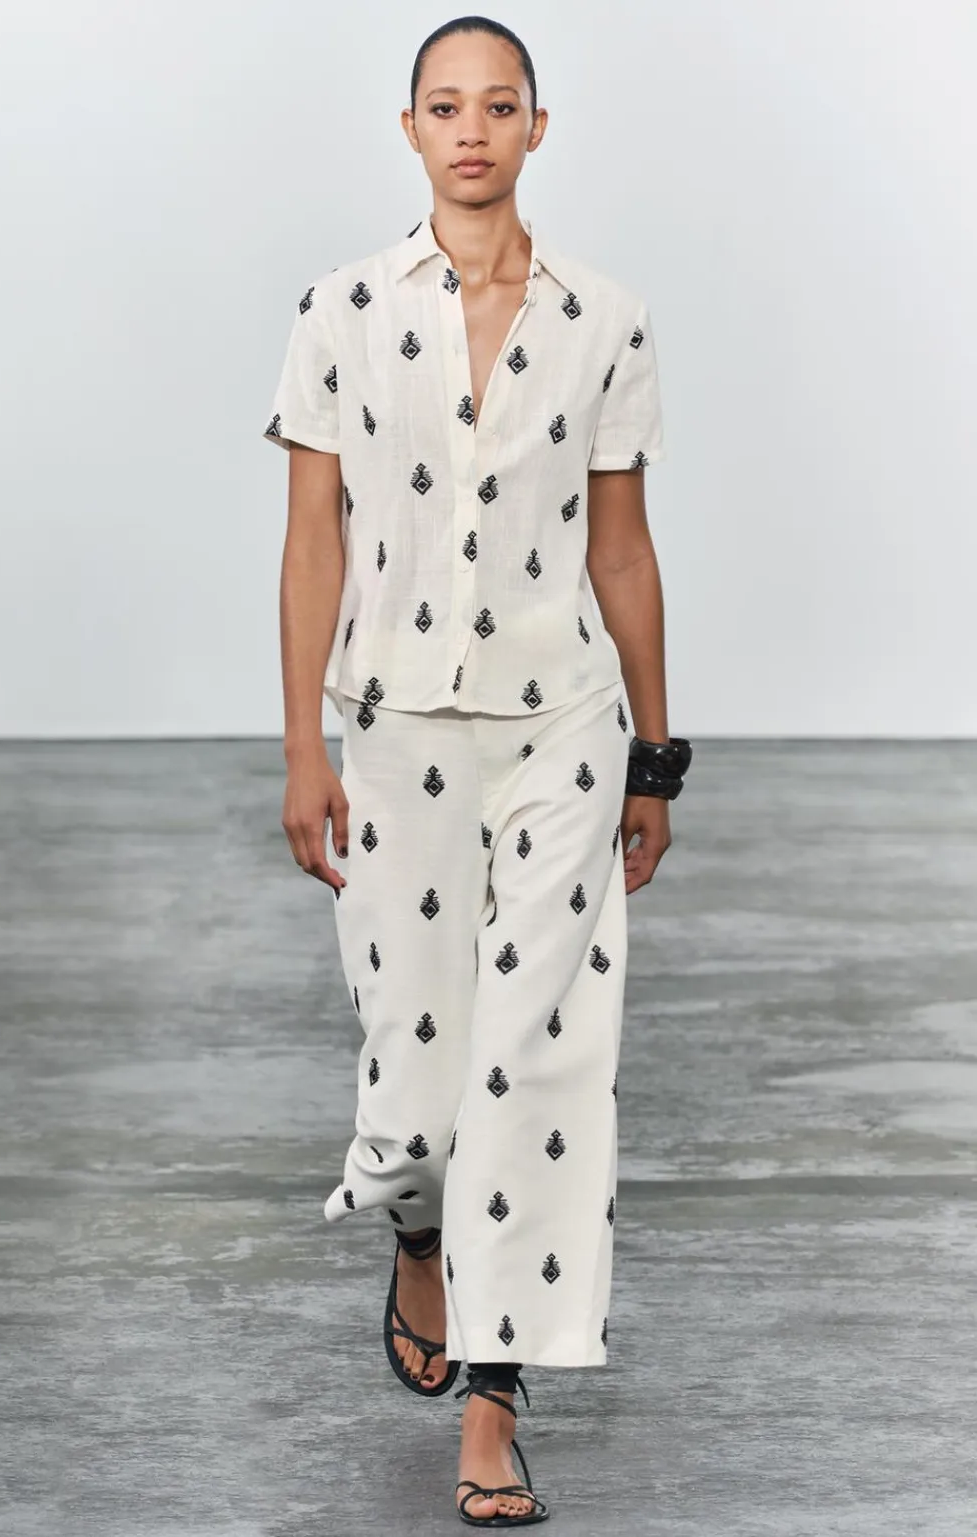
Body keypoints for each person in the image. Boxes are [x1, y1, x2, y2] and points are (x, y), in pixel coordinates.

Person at [263, 14, 690, 1526]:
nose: (471, 131)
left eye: (498, 106)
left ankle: (495, 1406)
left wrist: (653, 756)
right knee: (417, 1055)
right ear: (410, 129)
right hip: (394, 728)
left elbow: (621, 549)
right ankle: (419, 1232)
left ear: (536, 127)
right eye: (445, 107)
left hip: (562, 721)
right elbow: (311, 542)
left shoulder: (605, 318)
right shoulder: (340, 309)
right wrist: (304, 745)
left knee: (542, 1050)